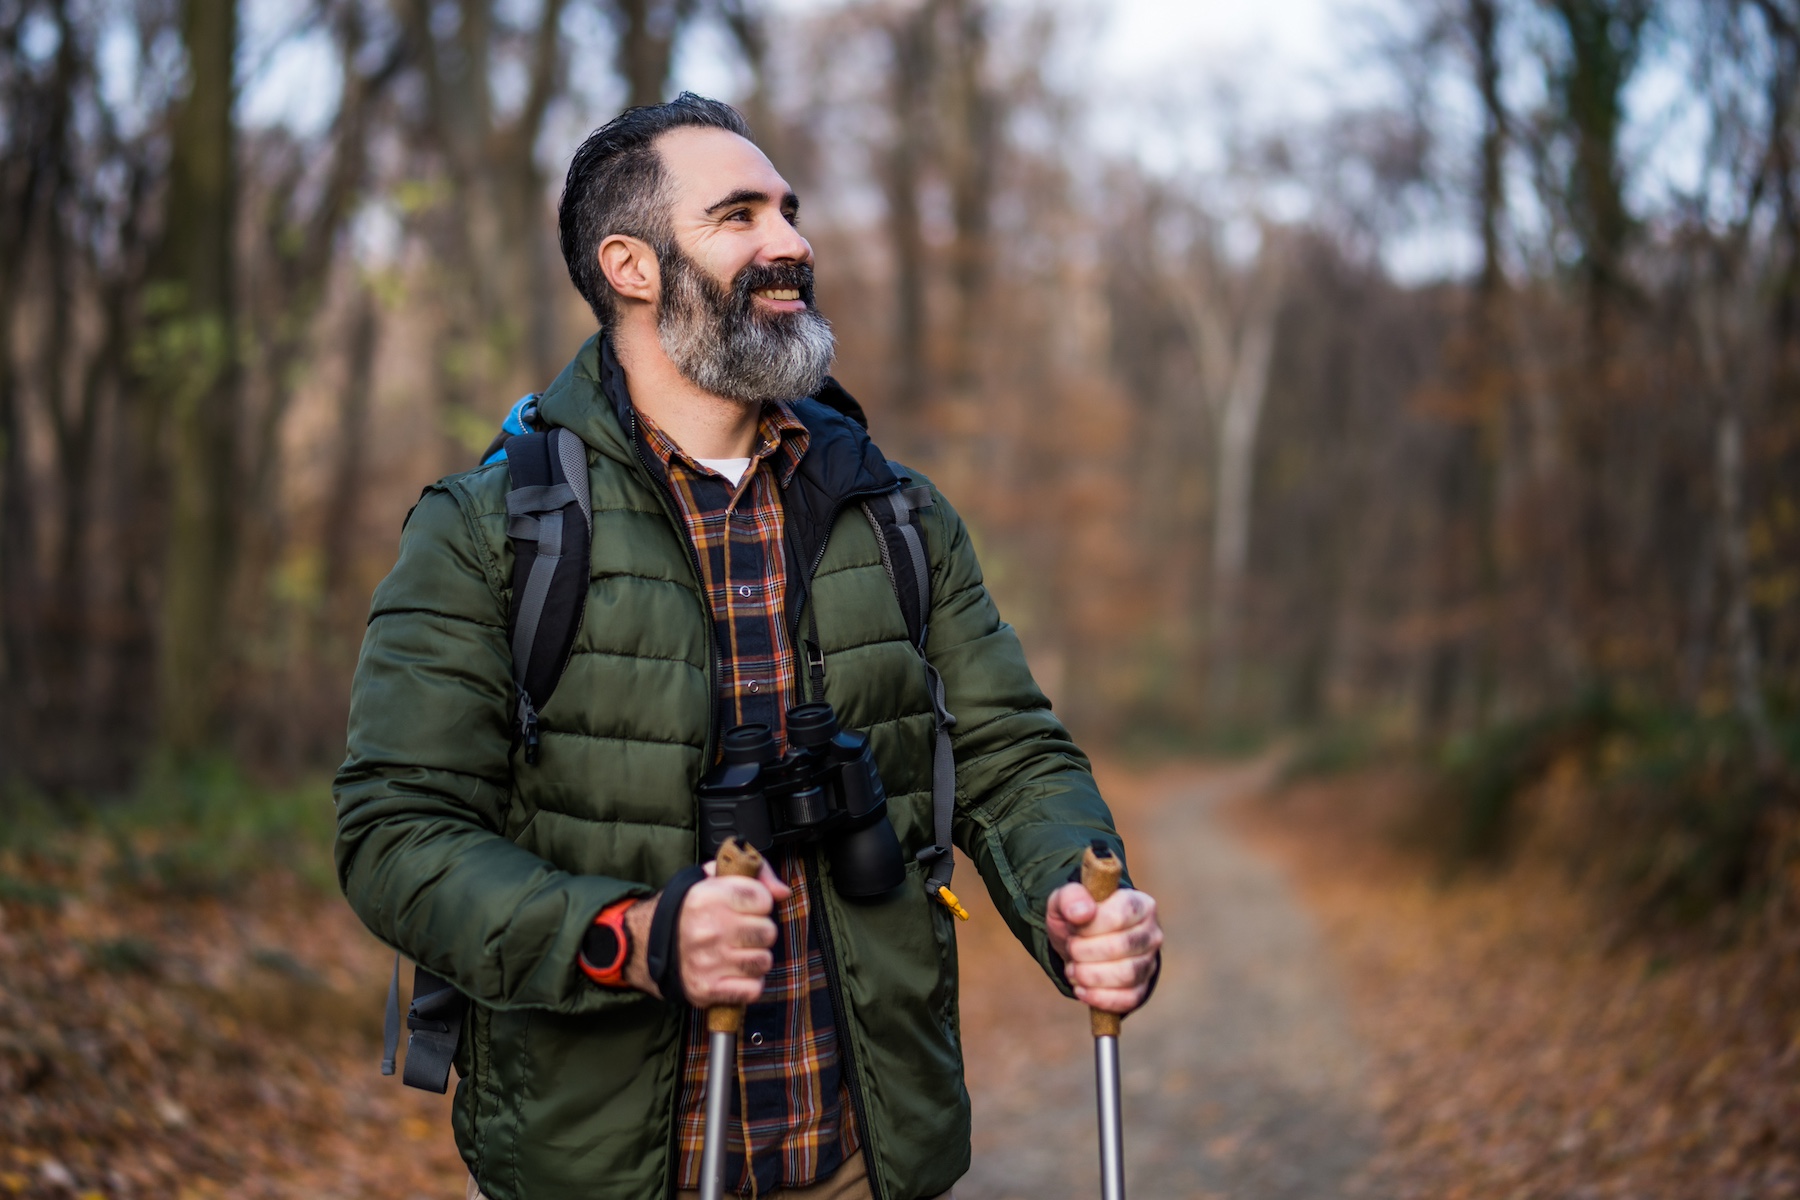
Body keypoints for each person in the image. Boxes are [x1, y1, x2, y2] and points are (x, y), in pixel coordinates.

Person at [333, 93, 1163, 1200]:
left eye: (789, 210)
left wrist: (1075, 893)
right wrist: (631, 935)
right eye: (740, 216)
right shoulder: (491, 531)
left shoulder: (893, 510)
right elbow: (396, 834)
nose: (793, 244)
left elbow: (1011, 756)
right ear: (631, 266)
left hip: (862, 1157)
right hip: (607, 1167)